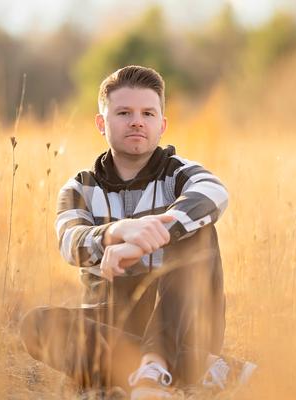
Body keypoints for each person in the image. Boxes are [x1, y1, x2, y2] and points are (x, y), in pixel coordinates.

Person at [20, 65, 256, 399]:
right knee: (36, 325)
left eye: (147, 113)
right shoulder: (79, 188)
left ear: (162, 125)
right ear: (101, 123)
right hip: (115, 323)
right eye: (124, 113)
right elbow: (70, 242)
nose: (136, 122)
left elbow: (214, 193)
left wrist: (141, 242)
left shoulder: (180, 174)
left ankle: (152, 368)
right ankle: (204, 369)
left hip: (187, 322)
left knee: (198, 230)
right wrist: (117, 232)